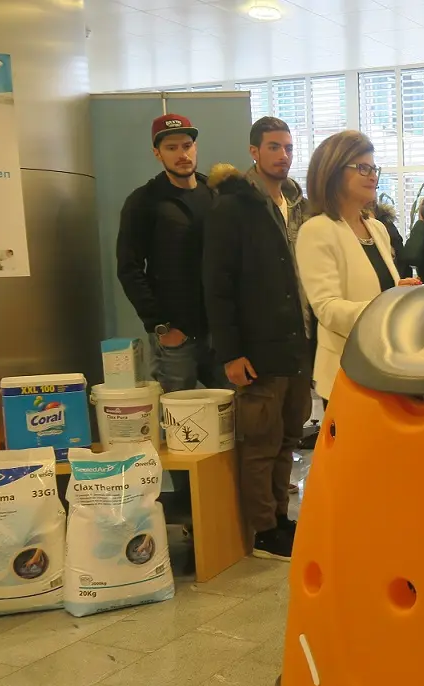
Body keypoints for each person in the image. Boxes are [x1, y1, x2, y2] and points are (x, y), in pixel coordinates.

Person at [203, 116, 312, 561]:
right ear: (254, 151)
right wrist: (231, 352)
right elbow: (217, 284)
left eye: (287, 147)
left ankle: (281, 518)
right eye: (273, 147)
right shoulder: (234, 206)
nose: (282, 155)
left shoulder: (294, 204)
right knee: (261, 442)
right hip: (258, 346)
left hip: (296, 343)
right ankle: (263, 530)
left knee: (287, 438)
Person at [297, 130, 421, 406]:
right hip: (348, 371)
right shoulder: (317, 230)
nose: (373, 176)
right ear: (332, 172)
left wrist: (400, 291)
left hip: (387, 365)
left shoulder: (376, 227)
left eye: (373, 168)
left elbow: (378, 288)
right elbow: (328, 309)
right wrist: (388, 306)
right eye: (362, 168)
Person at [117, 114, 220, 392]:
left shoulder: (215, 194)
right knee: (180, 421)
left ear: (195, 147)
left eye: (187, 146)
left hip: (220, 332)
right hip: (177, 334)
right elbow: (129, 268)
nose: (182, 154)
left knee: (235, 414)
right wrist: (160, 326)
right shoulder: (144, 202)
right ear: (157, 153)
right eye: (171, 148)